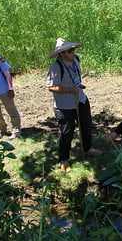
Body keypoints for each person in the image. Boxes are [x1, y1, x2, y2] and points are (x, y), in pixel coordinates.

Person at [47, 38, 102, 172]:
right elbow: (51, 87)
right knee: (66, 132)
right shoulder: (56, 67)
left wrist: (77, 88)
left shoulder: (76, 59)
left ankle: (88, 148)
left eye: (73, 50)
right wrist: (70, 90)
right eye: (69, 51)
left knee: (86, 125)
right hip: (65, 105)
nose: (73, 53)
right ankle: (63, 159)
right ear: (61, 54)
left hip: (80, 98)